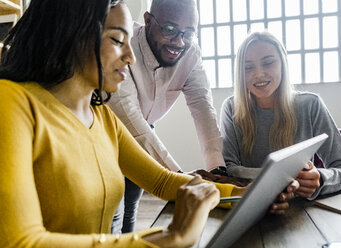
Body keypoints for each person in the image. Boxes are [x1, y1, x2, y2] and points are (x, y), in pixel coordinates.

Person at [0, 0, 248, 247]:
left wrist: (242, 196)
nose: (130, 57)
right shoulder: (11, 103)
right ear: (73, 33)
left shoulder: (102, 117)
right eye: (118, 41)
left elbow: (163, 181)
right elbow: (22, 242)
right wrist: (171, 237)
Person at [107, 0, 237, 234]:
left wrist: (217, 171)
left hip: (146, 127)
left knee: (130, 209)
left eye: (188, 33)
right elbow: (130, 119)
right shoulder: (123, 52)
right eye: (169, 30)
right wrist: (182, 181)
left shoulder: (190, 53)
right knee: (112, 212)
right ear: (147, 21)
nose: (179, 41)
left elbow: (203, 108)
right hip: (111, 131)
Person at [220, 31, 341, 201]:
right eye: (248, 67)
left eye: (268, 63)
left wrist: (321, 178)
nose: (259, 74)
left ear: (283, 63)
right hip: (248, 204)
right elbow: (228, 169)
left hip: (301, 208)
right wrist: (283, 178)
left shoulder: (310, 105)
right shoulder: (231, 108)